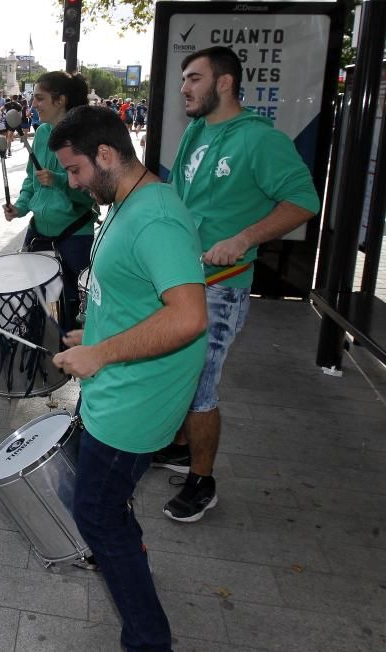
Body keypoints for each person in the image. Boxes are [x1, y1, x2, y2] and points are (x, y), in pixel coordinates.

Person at [49, 104, 208, 652]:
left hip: (135, 399)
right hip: (114, 385)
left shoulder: (155, 216)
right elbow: (131, 294)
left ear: (107, 155)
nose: (73, 182)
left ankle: (148, 640)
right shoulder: (124, 200)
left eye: (76, 171)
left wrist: (103, 354)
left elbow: (188, 316)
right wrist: (89, 335)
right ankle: (128, 555)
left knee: (94, 513)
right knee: (104, 507)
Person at [154, 46, 320, 523]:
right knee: (180, 374)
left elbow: (303, 200)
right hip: (184, 280)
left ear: (224, 83)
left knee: (202, 386)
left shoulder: (260, 140)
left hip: (222, 289)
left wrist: (243, 238)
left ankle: (202, 483)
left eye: (193, 79)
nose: (184, 88)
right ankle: (181, 448)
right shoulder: (195, 132)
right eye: (184, 79)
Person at [3, 71, 97, 333]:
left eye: (39, 98)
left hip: (74, 235)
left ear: (60, 100)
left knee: (75, 309)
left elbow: (91, 194)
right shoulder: (42, 133)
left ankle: (74, 361)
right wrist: (20, 207)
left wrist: (57, 180)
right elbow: (31, 181)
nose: (33, 104)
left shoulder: (84, 138)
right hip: (39, 233)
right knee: (37, 306)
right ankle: (43, 362)